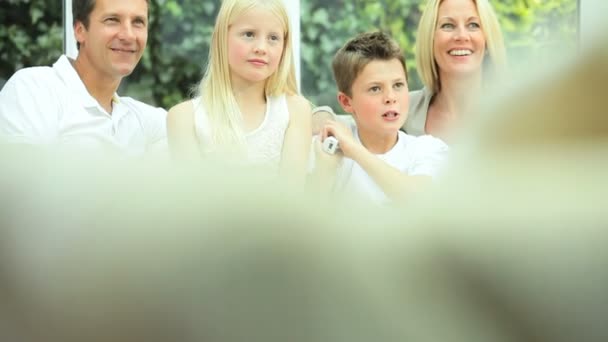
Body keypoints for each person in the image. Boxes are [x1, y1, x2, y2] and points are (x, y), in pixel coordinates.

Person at [312, 0, 506, 144]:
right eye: (448, 25)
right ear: (430, 38)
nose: (461, 36)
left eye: (473, 25)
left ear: (487, 39)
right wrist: (322, 116)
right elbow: (348, 117)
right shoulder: (406, 107)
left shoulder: (513, 110)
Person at [167, 0, 311, 185]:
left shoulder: (295, 110)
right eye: (249, 34)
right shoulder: (184, 118)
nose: (261, 48)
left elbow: (292, 199)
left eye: (273, 38)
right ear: (221, 38)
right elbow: (192, 204)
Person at [0, 0, 166, 156]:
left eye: (138, 22)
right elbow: (22, 182)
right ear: (80, 31)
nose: (128, 36)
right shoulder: (34, 89)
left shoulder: (143, 121)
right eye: (112, 20)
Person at [310, 32, 448, 204]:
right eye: (375, 89)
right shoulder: (327, 151)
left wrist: (354, 150)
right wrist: (324, 171)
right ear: (346, 102)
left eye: (398, 85)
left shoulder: (428, 149)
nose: (390, 97)